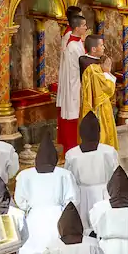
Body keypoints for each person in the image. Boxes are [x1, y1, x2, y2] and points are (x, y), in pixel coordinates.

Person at [14, 136, 78, 254]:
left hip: (34, 217)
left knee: (34, 245)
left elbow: (20, 200)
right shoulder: (64, 174)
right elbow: (72, 200)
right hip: (57, 216)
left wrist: (29, 208)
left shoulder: (25, 175)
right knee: (55, 247)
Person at [64, 112, 118, 233]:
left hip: (82, 196)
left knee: (85, 230)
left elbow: (68, 178)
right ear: (98, 133)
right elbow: (117, 175)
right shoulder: (109, 151)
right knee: (105, 227)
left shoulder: (72, 154)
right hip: (105, 195)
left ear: (81, 134)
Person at [79, 37, 118, 150]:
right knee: (102, 133)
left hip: (89, 104)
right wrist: (107, 72)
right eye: (101, 45)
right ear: (93, 49)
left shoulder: (85, 61)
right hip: (98, 105)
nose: (104, 47)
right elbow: (107, 88)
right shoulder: (93, 68)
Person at [57, 14, 88, 154]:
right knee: (73, 112)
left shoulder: (77, 42)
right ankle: (72, 148)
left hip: (78, 82)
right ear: (77, 28)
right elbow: (76, 68)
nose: (86, 28)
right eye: (84, 25)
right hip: (74, 84)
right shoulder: (72, 47)